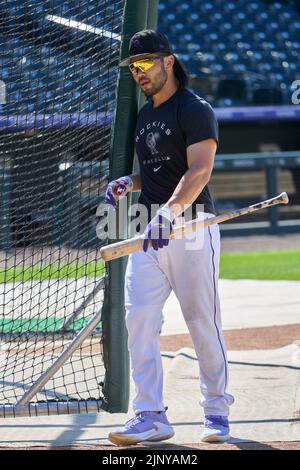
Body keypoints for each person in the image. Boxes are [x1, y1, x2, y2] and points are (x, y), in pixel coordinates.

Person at [105, 29, 234, 446]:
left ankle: (216, 410)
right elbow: (160, 170)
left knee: (202, 323)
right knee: (138, 319)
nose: (139, 73)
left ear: (169, 61)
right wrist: (131, 180)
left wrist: (169, 213)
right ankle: (150, 414)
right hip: (151, 233)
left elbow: (198, 171)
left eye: (145, 64)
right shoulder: (145, 115)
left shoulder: (195, 109)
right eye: (133, 68)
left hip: (192, 227)